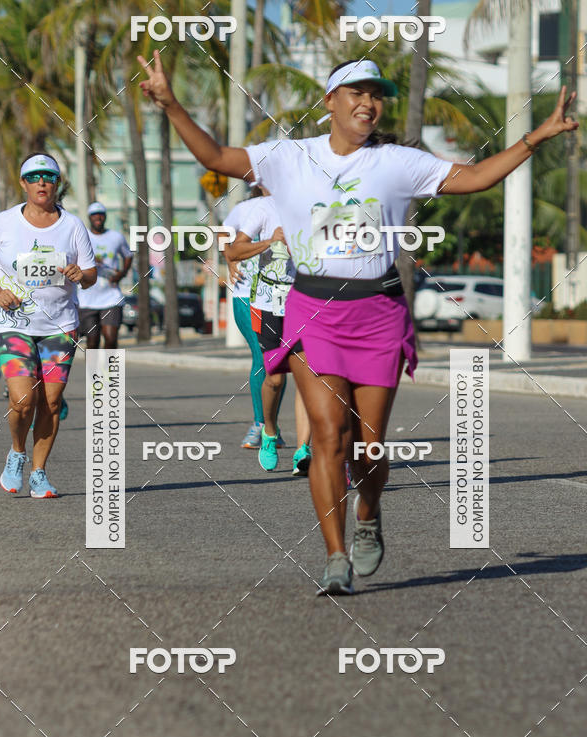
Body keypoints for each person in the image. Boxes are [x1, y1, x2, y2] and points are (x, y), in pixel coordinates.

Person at [138, 50, 578, 594]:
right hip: (313, 310)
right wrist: (170, 104)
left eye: (376, 95)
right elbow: (215, 156)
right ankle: (335, 557)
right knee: (328, 435)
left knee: (369, 447)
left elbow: (478, 177)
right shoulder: (289, 157)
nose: (368, 103)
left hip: (378, 313)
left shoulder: (397, 162)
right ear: (330, 101)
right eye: (357, 93)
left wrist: (536, 137)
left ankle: (368, 513)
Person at [0, 152, 96, 497]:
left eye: (48, 176)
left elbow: (91, 273)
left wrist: (81, 275)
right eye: (34, 177)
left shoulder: (72, 226)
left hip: (59, 325)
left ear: (57, 183)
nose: (41, 182)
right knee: (23, 399)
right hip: (12, 323)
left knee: (50, 401)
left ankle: (38, 472)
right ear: (23, 183)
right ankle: (17, 452)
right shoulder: (4, 222)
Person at [228, 194, 312, 475]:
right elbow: (234, 251)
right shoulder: (265, 207)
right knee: (274, 378)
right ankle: (269, 431)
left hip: (304, 299)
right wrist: (270, 241)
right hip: (268, 301)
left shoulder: (316, 203)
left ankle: (303, 450)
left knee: (306, 376)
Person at [222, 189, 267, 449]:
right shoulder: (243, 209)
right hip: (246, 296)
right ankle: (259, 423)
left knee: (275, 362)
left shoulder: (289, 204)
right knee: (262, 356)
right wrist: (229, 260)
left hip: (279, 297)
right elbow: (223, 234)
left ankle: (271, 426)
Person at [78, 201, 133, 350]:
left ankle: (111, 367)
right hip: (87, 298)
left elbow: (128, 255)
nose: (98, 218)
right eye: (94, 215)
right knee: (92, 341)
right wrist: (90, 260)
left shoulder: (116, 237)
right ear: (89, 217)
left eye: (101, 215)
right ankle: (95, 367)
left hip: (111, 297)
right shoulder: (82, 235)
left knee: (111, 338)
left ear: (105, 217)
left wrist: (122, 274)